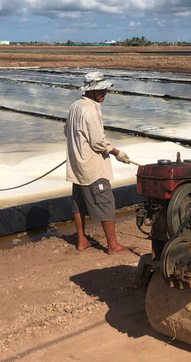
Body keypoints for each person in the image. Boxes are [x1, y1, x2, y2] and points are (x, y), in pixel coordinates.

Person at [65, 71, 130, 254]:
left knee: (79, 203)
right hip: (92, 167)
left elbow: (66, 131)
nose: (104, 93)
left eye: (105, 89)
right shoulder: (90, 110)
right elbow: (98, 142)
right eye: (100, 90)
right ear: (90, 91)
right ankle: (112, 245)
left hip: (77, 165)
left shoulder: (75, 106)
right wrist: (117, 153)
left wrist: (78, 145)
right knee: (106, 203)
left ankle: (82, 240)